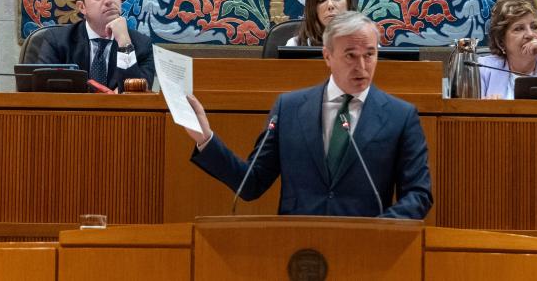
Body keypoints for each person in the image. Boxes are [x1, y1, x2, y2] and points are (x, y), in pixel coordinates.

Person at [184, 11, 433, 219]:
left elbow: (418, 195)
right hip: (297, 251)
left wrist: (379, 229)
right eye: (350, 55)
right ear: (327, 56)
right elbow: (251, 184)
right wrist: (206, 139)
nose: (362, 66)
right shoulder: (289, 108)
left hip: (367, 254)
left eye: (369, 54)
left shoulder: (401, 116)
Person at [23, 0, 155, 91]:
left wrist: (125, 43)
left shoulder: (141, 46)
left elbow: (137, 98)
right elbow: (43, 94)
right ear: (82, 7)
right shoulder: (57, 41)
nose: (109, 0)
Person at [287, 0, 355, 46]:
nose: (330, 5)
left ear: (348, 2)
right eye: (321, 0)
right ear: (312, 8)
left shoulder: (364, 42)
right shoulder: (295, 45)